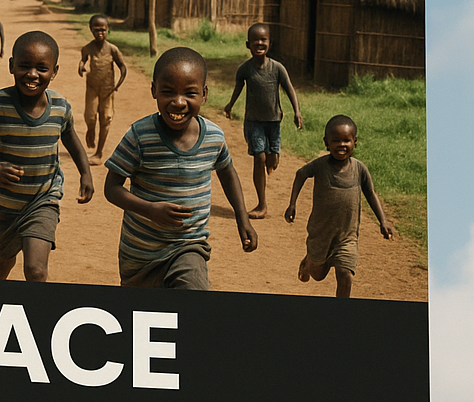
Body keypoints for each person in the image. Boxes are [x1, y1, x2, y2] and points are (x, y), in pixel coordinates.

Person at [105, 46, 257, 289]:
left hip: (189, 246)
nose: (178, 102)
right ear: (154, 90)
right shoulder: (139, 136)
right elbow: (111, 188)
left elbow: (227, 172)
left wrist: (243, 218)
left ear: (204, 94)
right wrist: (150, 210)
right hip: (140, 257)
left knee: (193, 299)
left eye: (190, 93)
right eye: (168, 92)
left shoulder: (214, 137)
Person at [0, 30, 94, 282]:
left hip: (42, 199)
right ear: (12, 65)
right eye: (24, 66)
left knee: (36, 270)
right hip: (1, 205)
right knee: (2, 262)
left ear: (54, 71)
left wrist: (85, 173)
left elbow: (71, 139)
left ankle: (35, 316)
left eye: (41, 68)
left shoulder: (60, 107)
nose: (32, 74)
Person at [284, 114, 394, 298]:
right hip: (321, 233)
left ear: (355, 141)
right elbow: (300, 174)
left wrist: (383, 220)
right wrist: (292, 203)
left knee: (345, 274)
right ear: (326, 142)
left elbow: (371, 193)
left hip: (347, 237)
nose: (341, 145)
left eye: (346, 140)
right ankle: (308, 262)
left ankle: (341, 313)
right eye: (336, 141)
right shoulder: (320, 166)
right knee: (318, 275)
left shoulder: (360, 169)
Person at [223, 22, 302, 219]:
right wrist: (230, 105)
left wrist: (297, 112)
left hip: (274, 121)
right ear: (247, 44)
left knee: (272, 159)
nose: (259, 43)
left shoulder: (277, 69)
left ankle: (271, 159)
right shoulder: (245, 70)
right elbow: (238, 89)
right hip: (253, 122)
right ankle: (262, 205)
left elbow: (289, 89)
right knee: (259, 157)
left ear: (270, 43)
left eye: (263, 40)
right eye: (255, 40)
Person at [77, 14, 127, 164]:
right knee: (90, 116)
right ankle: (90, 130)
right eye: (96, 30)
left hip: (108, 90)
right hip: (92, 87)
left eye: (103, 30)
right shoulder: (87, 48)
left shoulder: (112, 49)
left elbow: (122, 67)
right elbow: (83, 60)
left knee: (106, 119)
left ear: (107, 30)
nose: (100, 33)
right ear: (90, 30)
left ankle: (99, 153)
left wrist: (118, 83)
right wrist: (81, 67)